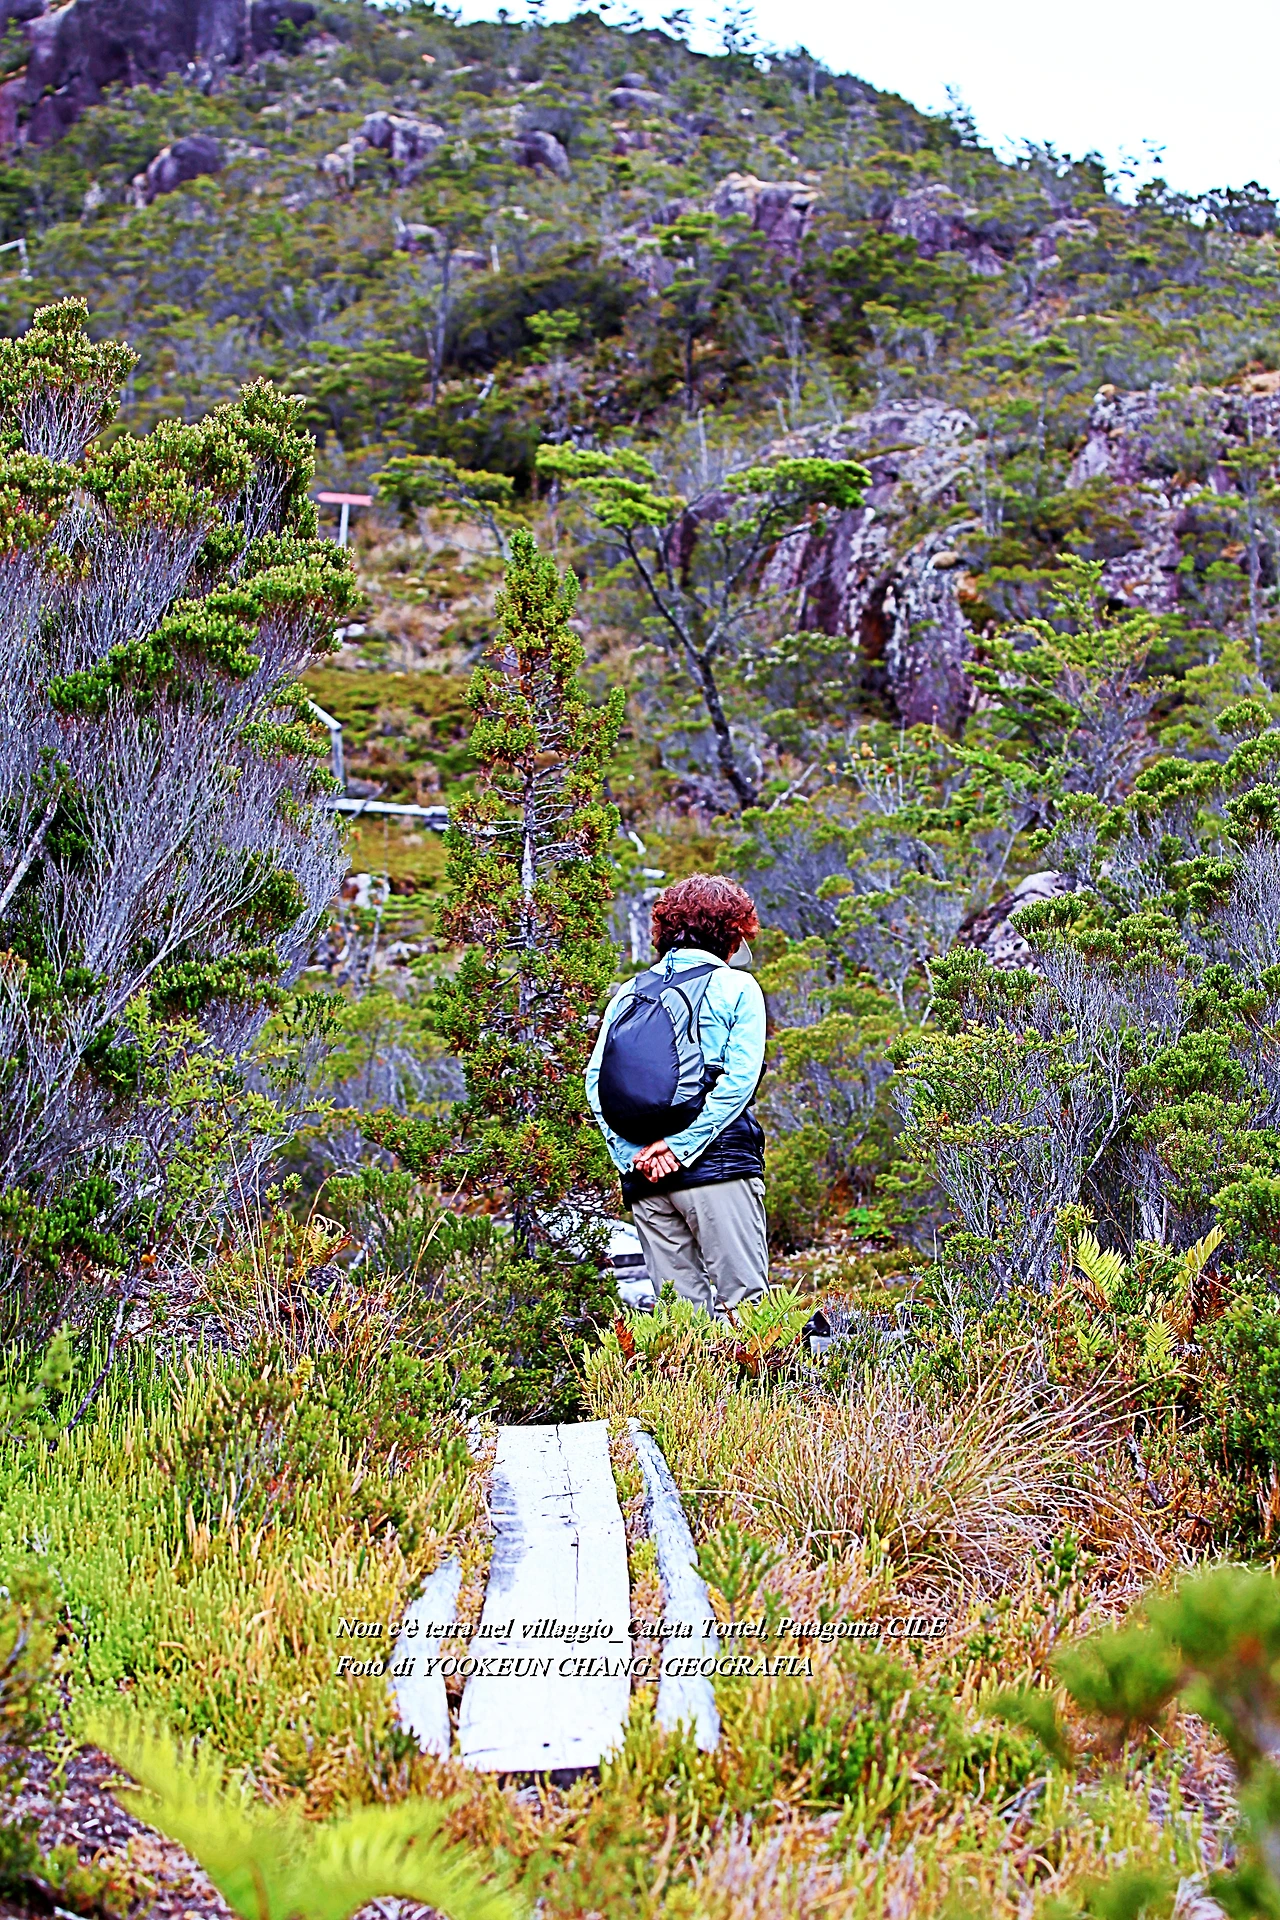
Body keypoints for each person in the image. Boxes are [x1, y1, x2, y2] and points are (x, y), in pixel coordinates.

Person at [585, 874, 769, 1319]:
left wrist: (633, 1156)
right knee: (749, 1311)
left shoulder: (629, 992)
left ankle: (690, 1373)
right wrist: (679, 1148)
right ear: (732, 933)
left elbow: (595, 1083)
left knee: (680, 1322)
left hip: (645, 1181)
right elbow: (739, 1082)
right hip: (719, 1170)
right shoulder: (737, 987)